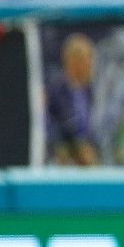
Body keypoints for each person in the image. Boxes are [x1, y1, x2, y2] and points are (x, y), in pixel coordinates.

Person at [46, 32, 102, 165]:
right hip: (61, 157)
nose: (91, 64)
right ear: (73, 61)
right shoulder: (55, 89)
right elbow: (52, 126)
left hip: (85, 156)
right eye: (87, 59)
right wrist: (75, 149)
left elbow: (89, 127)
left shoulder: (88, 90)